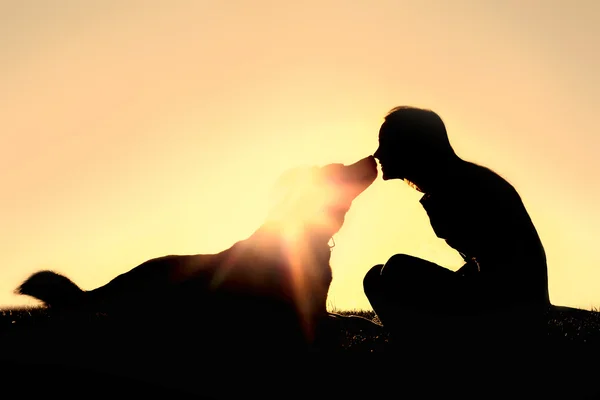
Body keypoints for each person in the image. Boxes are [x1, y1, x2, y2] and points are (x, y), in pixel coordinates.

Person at [363, 106, 550, 342]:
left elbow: (499, 264)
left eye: (385, 144)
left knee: (396, 269)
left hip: (510, 306)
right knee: (374, 278)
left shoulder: (461, 187)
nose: (378, 153)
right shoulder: (449, 184)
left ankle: (431, 340)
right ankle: (414, 334)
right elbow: (480, 262)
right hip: (501, 299)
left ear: (409, 146)